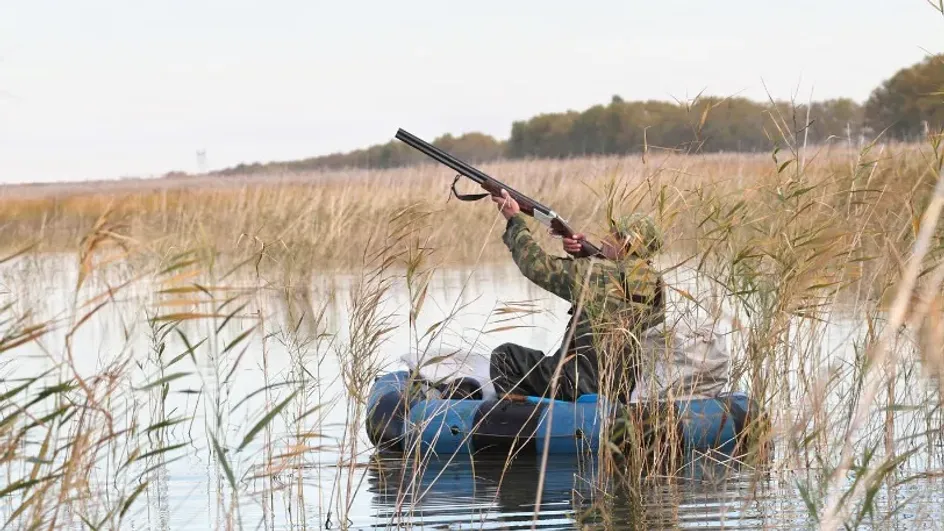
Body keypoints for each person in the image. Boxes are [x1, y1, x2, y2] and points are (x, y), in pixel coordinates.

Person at [487, 189, 666, 403]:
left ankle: (521, 422)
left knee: (505, 357)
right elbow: (617, 288)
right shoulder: (656, 283)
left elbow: (535, 266)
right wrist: (582, 255)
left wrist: (514, 220)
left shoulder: (594, 272)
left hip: (576, 384)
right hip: (619, 388)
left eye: (613, 234)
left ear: (626, 243)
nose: (605, 238)